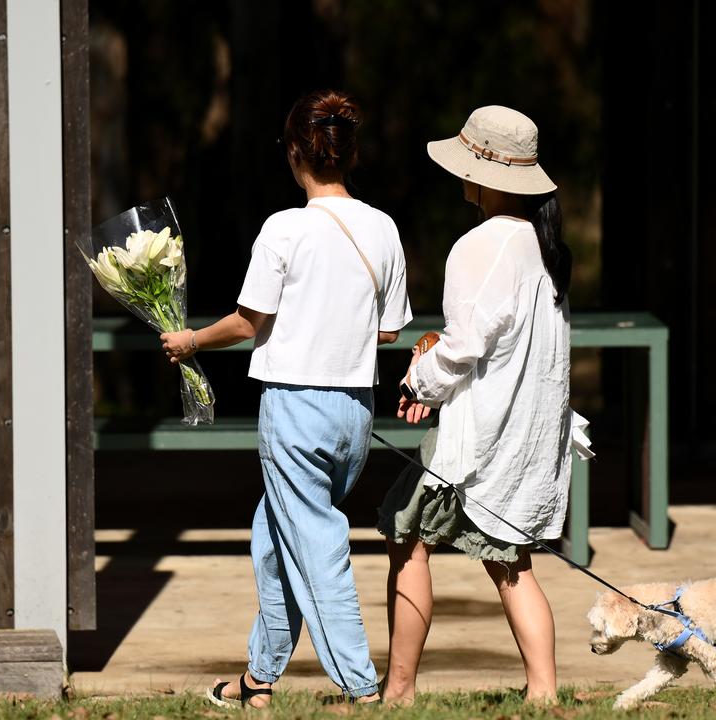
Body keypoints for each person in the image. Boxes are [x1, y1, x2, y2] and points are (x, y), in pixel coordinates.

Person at [161, 89, 412, 707]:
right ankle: (259, 679)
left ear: (296, 152)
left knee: (316, 545)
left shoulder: (284, 228)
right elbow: (389, 330)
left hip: (296, 409)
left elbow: (248, 322)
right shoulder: (383, 228)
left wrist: (190, 341)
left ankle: (360, 688)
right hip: (354, 411)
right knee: (274, 539)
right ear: (350, 153)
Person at [378, 105, 573, 705]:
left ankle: (399, 691)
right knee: (511, 564)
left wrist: (418, 382)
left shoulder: (480, 245)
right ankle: (544, 693)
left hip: (481, 431)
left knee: (406, 534)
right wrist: (434, 364)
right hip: (522, 428)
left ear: (484, 175)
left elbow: (467, 343)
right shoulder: (543, 245)